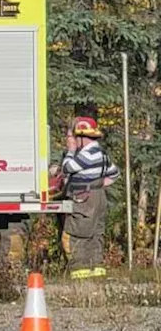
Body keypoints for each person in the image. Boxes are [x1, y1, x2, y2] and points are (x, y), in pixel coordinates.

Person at [57, 116, 119, 280]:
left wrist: (70, 151)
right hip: (98, 198)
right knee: (95, 234)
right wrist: (98, 185)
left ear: (82, 137)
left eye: (74, 137)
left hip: (83, 199)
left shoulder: (86, 155)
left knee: (76, 233)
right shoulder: (101, 154)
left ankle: (80, 272)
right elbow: (114, 173)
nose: (73, 141)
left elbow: (67, 167)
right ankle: (96, 269)